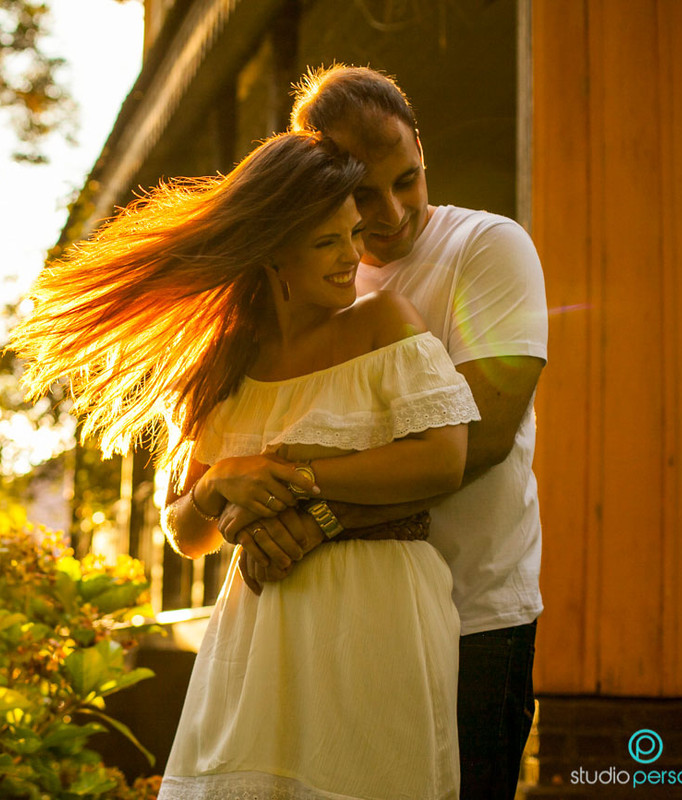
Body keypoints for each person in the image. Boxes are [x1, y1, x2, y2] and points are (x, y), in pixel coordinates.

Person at [10, 131, 480, 799]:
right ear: (272, 254)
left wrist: (294, 482)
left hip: (380, 621)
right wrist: (220, 487)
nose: (355, 256)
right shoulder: (222, 368)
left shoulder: (384, 322)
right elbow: (187, 532)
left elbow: (443, 460)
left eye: (354, 234)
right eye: (329, 243)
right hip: (257, 640)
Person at [232, 65, 548, 798]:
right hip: (344, 627)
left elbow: (482, 436)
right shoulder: (311, 281)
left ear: (421, 152)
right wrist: (243, 507)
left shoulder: (489, 249)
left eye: (407, 179)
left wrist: (313, 516)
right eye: (364, 193)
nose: (395, 211)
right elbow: (240, 438)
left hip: (475, 615)